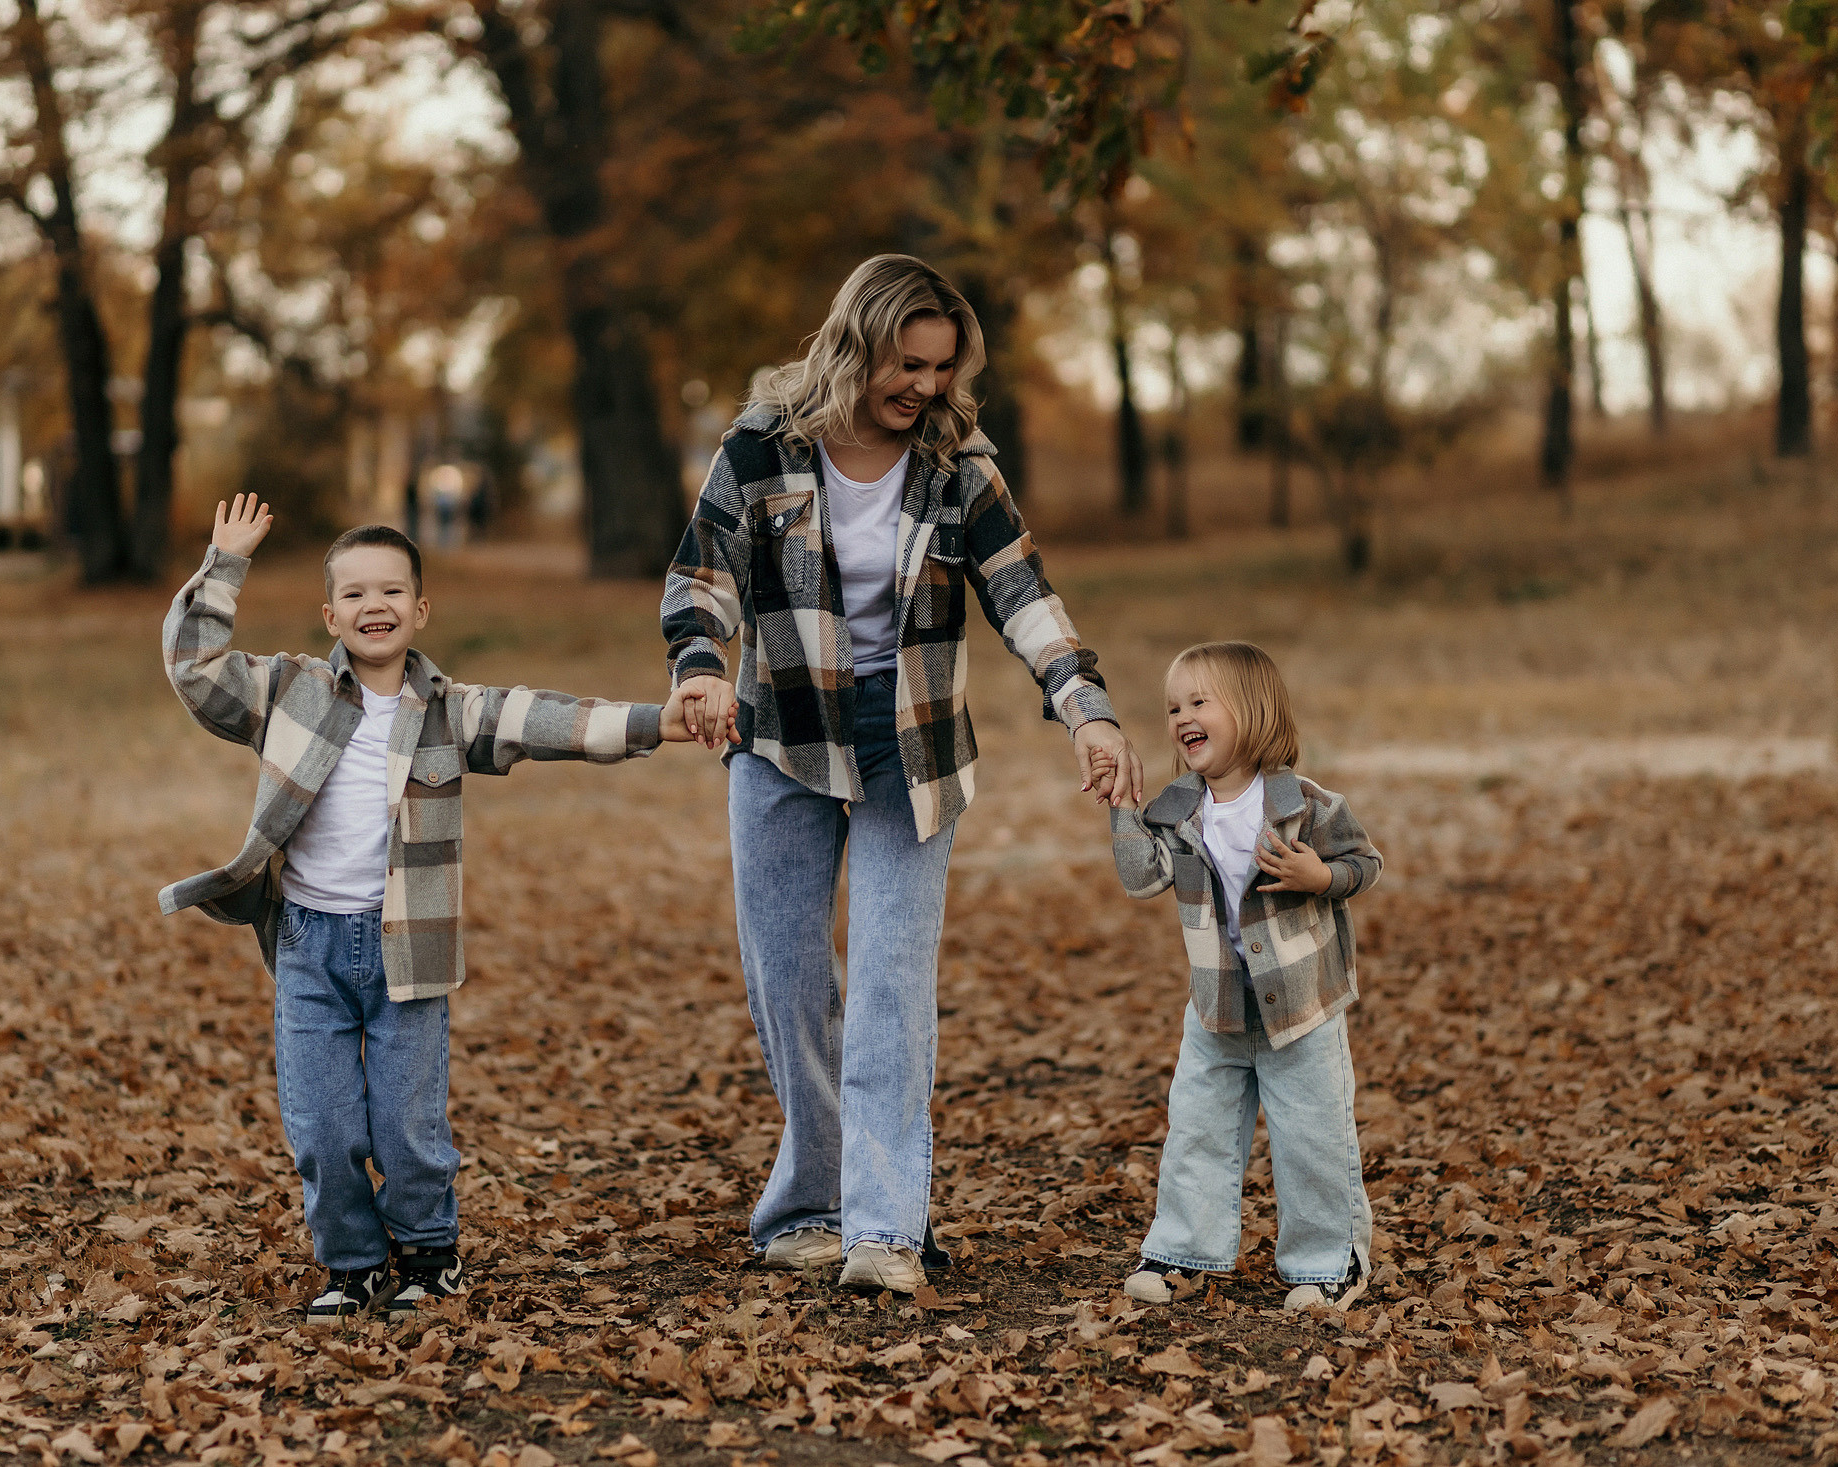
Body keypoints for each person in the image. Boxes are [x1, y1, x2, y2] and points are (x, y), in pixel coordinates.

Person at [662, 254, 1145, 1294]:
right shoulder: (760, 447)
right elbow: (703, 575)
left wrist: (1086, 709)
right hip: (782, 737)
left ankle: (883, 1227)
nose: (925, 386)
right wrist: (699, 666)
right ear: (856, 343)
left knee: (889, 981)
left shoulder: (957, 464)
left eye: (940, 367)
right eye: (907, 364)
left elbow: (1023, 593)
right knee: (789, 983)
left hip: (909, 746)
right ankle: (809, 1205)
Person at [161, 495, 714, 1321]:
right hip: (309, 946)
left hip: (409, 952)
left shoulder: (450, 710)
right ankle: (352, 1264)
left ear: (420, 609)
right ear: (329, 614)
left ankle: (428, 1253)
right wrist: (224, 566)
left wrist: (652, 723)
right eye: (353, 593)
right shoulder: (289, 689)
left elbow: (543, 719)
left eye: (391, 590)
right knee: (322, 1127)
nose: (373, 605)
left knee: (407, 1124)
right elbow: (195, 670)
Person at [1098, 641, 1381, 1311]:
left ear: (1252, 712)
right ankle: (1183, 1254)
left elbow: (1364, 863)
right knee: (1197, 1128)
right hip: (1217, 1004)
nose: (1181, 718)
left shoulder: (1304, 804)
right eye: (1173, 707)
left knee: (1311, 1136)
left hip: (1302, 1007)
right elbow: (1141, 878)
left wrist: (1320, 875)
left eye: (1199, 702)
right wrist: (1121, 806)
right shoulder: (1177, 810)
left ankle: (1331, 1261)